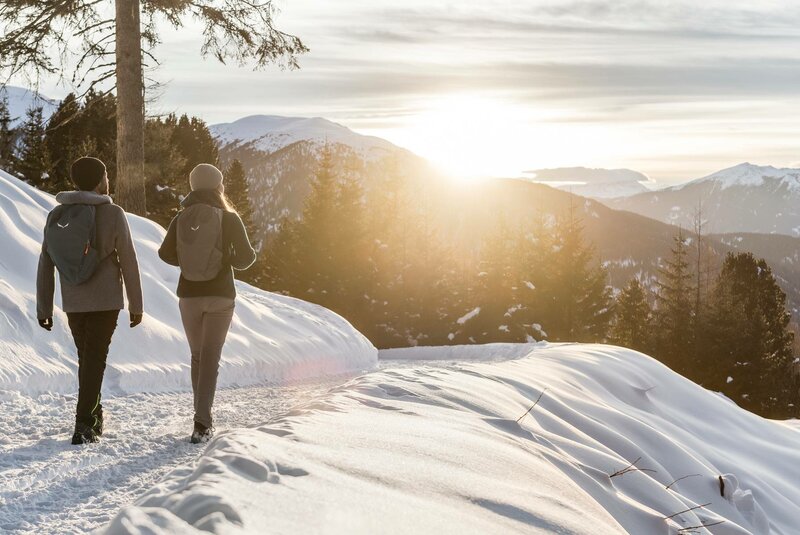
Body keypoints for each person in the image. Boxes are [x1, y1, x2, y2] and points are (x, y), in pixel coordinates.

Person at [36, 157, 144, 445]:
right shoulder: (113, 213)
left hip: (73, 301)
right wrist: (136, 305)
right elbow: (129, 260)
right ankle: (84, 422)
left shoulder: (58, 215)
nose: (108, 179)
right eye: (105, 175)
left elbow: (46, 262)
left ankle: (94, 417)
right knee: (94, 359)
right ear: (99, 180)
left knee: (88, 359)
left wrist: (44, 307)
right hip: (106, 301)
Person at [158, 163, 256, 443]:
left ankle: (200, 416)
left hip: (188, 296)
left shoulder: (180, 218)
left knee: (198, 356)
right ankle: (202, 423)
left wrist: (188, 261)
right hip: (220, 295)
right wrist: (225, 258)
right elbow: (247, 258)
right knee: (211, 358)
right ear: (217, 186)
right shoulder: (229, 218)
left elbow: (165, 253)